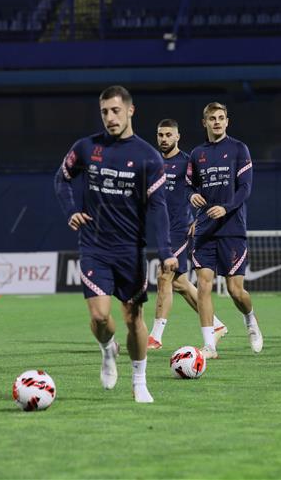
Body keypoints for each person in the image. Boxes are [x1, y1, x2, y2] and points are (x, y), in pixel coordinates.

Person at [54, 85, 177, 403]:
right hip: (94, 246)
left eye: (116, 111)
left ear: (130, 111)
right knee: (99, 317)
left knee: (132, 317)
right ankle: (108, 348)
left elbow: (159, 207)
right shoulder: (86, 147)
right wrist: (72, 211)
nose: (110, 117)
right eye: (105, 111)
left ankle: (139, 381)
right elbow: (62, 178)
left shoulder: (148, 156)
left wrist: (166, 252)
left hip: (131, 251)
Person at [186, 102, 263, 359]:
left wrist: (226, 207)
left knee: (235, 290)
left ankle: (250, 321)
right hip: (205, 230)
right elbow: (189, 186)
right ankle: (209, 345)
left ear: (227, 121)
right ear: (204, 122)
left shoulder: (239, 149)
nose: (216, 122)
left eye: (221, 118)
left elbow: (245, 188)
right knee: (204, 286)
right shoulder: (197, 154)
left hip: (232, 229)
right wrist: (193, 195)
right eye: (212, 118)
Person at [148, 119, 228, 350]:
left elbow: (206, 190)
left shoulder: (187, 162)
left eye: (168, 135)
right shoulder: (153, 162)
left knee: (165, 275)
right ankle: (216, 324)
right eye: (160, 134)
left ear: (177, 137)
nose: (163, 139)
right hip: (162, 229)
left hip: (180, 227)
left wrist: (199, 217)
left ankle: (155, 336)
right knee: (180, 283)